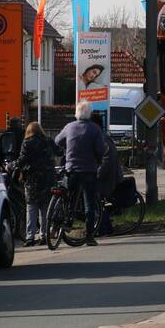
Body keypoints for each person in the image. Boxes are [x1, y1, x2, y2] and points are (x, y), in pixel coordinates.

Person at [54, 101, 107, 246]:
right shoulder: (95, 129)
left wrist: (68, 148)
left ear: (76, 113)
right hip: (89, 170)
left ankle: (67, 220)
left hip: (71, 169)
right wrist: (97, 159)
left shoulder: (69, 127)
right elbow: (101, 150)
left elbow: (57, 141)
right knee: (89, 202)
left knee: (70, 197)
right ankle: (89, 235)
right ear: (89, 114)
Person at [17, 122, 56, 247]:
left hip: (32, 180)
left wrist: (10, 166)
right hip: (47, 179)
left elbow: (21, 161)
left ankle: (30, 237)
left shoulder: (27, 143)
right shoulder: (48, 140)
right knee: (45, 209)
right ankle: (44, 236)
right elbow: (59, 151)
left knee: (31, 208)